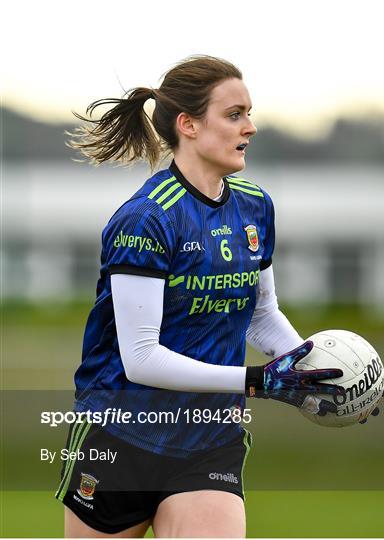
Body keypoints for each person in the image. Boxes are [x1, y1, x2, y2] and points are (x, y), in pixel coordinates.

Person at [55, 55, 347, 538]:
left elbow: (260, 314)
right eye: (234, 114)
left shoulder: (254, 205)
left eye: (250, 113)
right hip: (121, 434)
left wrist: (312, 371)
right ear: (188, 125)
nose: (250, 127)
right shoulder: (147, 219)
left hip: (211, 437)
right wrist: (257, 380)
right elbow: (141, 358)